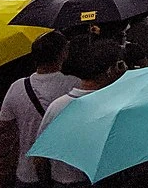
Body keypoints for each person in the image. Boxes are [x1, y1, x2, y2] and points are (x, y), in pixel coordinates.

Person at [33, 39, 124, 188]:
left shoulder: (57, 106)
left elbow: (39, 157)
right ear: (110, 70)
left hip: (62, 181)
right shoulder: (113, 107)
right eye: (120, 65)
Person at [0, 32, 79, 188]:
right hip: (67, 174)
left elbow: (4, 130)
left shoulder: (17, 87)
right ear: (63, 54)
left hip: (27, 173)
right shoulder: (74, 85)